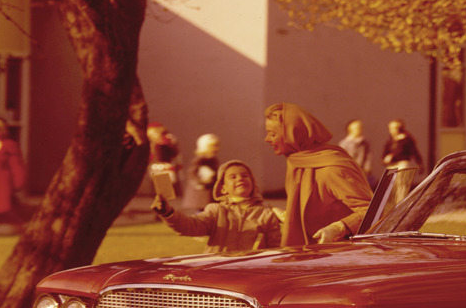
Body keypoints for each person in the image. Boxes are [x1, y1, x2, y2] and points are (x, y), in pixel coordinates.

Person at [262, 103, 373, 246]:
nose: (267, 139)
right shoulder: (297, 161)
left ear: (293, 134)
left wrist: (339, 228)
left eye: (273, 134)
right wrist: (288, 216)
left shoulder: (332, 168)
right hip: (313, 252)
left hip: (340, 253)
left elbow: (372, 212)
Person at [152, 159, 282, 253]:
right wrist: (168, 213)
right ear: (223, 188)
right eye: (233, 177)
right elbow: (190, 226)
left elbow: (275, 249)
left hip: (251, 272)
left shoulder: (266, 214)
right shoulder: (216, 211)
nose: (240, 179)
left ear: (253, 183)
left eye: (244, 176)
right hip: (216, 270)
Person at [381, 117, 422, 206]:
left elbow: (414, 152)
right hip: (391, 165)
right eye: (390, 128)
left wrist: (420, 163)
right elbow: (384, 153)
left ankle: (401, 204)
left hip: (402, 163)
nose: (392, 130)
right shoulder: (390, 141)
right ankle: (394, 205)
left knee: (401, 185)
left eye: (394, 128)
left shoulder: (406, 139)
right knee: (392, 186)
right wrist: (384, 159)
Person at [182, 133, 221, 210]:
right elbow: (192, 174)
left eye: (217, 146)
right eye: (213, 146)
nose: (216, 149)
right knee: (202, 212)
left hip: (210, 192)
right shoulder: (199, 160)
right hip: (201, 194)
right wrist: (200, 182)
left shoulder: (213, 160)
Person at [147, 123, 181, 198]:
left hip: (164, 167)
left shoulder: (167, 142)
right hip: (154, 167)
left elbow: (174, 154)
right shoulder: (152, 143)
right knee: (156, 189)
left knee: (165, 192)